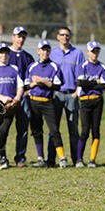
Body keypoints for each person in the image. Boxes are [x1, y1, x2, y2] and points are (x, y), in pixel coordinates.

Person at [0, 26, 35, 168]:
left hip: (22, 98)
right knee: (2, 129)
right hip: (5, 99)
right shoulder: (3, 53)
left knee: (22, 128)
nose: (20, 39)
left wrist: (27, 90)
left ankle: (20, 157)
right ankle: (1, 157)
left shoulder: (28, 57)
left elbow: (30, 76)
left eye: (23, 37)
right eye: (18, 36)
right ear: (13, 37)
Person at [26, 40, 67, 168]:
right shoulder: (32, 66)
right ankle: (40, 158)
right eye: (43, 50)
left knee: (54, 130)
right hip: (34, 101)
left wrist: (43, 81)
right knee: (36, 130)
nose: (45, 52)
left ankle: (62, 158)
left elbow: (58, 86)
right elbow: (26, 84)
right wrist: (33, 84)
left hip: (48, 102)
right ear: (38, 51)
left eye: (47, 50)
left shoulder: (54, 67)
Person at [48, 26, 85, 166]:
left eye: (67, 35)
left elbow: (81, 75)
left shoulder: (78, 53)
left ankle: (77, 159)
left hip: (71, 95)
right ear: (57, 37)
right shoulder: (52, 53)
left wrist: (77, 92)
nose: (65, 37)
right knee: (53, 128)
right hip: (56, 95)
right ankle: (50, 159)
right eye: (62, 35)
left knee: (73, 128)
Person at [75, 41, 105, 168]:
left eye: (97, 51)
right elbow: (80, 83)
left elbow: (104, 85)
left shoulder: (103, 67)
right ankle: (79, 159)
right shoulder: (82, 66)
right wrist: (95, 81)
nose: (95, 54)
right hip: (85, 100)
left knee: (95, 130)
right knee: (84, 131)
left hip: (97, 100)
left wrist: (90, 83)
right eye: (92, 51)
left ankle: (92, 160)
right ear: (87, 52)